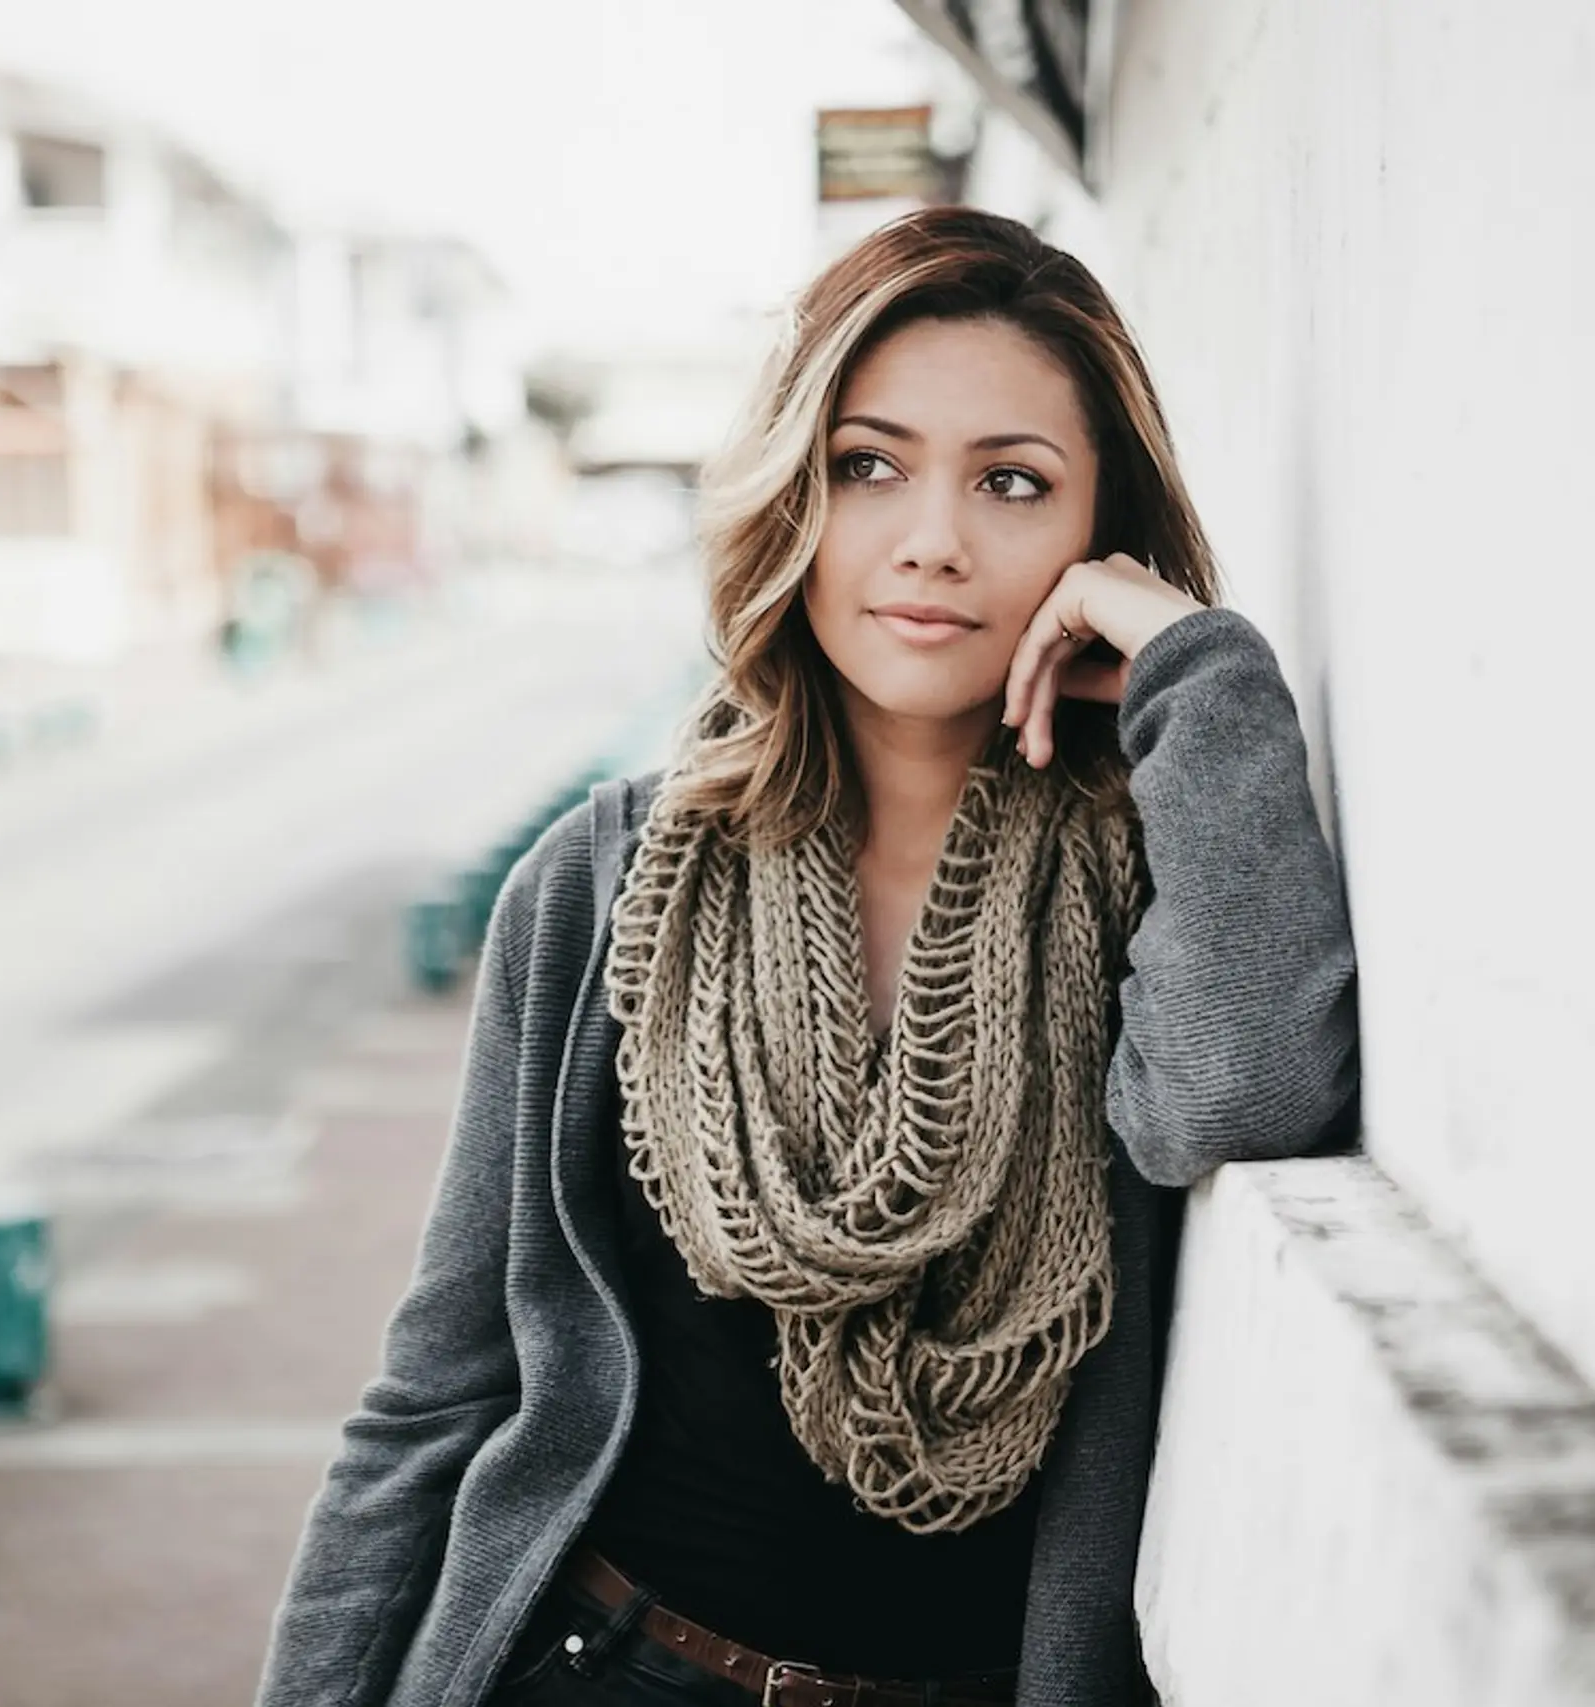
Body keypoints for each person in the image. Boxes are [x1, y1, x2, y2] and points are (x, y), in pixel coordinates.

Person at [256, 207, 1359, 1707]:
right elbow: (442, 1389)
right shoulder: (603, 882)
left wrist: (1192, 661)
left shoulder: (1153, 875)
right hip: (600, 1667)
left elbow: (1239, 1091)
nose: (932, 540)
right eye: (870, 465)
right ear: (797, 493)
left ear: (1099, 529)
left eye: (1013, 484)